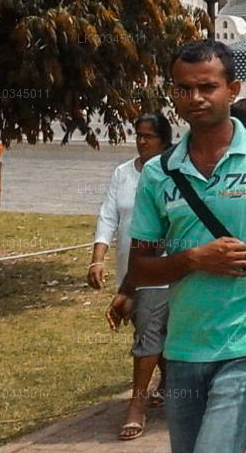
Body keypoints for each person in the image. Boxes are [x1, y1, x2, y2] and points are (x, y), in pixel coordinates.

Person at [127, 40, 246, 453]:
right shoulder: (160, 174)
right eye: (183, 89)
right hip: (182, 347)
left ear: (232, 90)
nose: (194, 98)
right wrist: (195, 259)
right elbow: (140, 268)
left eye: (207, 87)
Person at [90, 112, 172, 441]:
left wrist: (132, 283)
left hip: (161, 270)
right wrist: (98, 259)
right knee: (149, 331)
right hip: (130, 269)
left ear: (164, 140)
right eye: (138, 135)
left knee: (148, 337)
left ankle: (135, 406)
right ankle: (167, 384)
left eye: (149, 136)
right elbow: (108, 214)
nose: (141, 141)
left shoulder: (172, 173)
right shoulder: (123, 173)